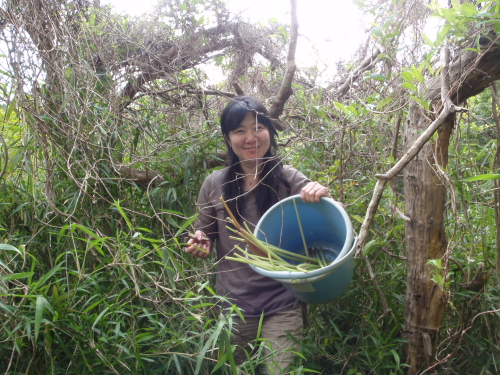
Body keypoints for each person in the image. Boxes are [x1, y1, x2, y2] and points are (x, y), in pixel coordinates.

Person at [185, 96, 331, 374]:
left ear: (269, 132)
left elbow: (330, 216)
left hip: (283, 301)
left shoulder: (288, 178)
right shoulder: (214, 183)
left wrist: (320, 193)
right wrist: (200, 243)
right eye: (240, 131)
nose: (251, 138)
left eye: (258, 127)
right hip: (233, 307)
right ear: (228, 139)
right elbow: (204, 233)